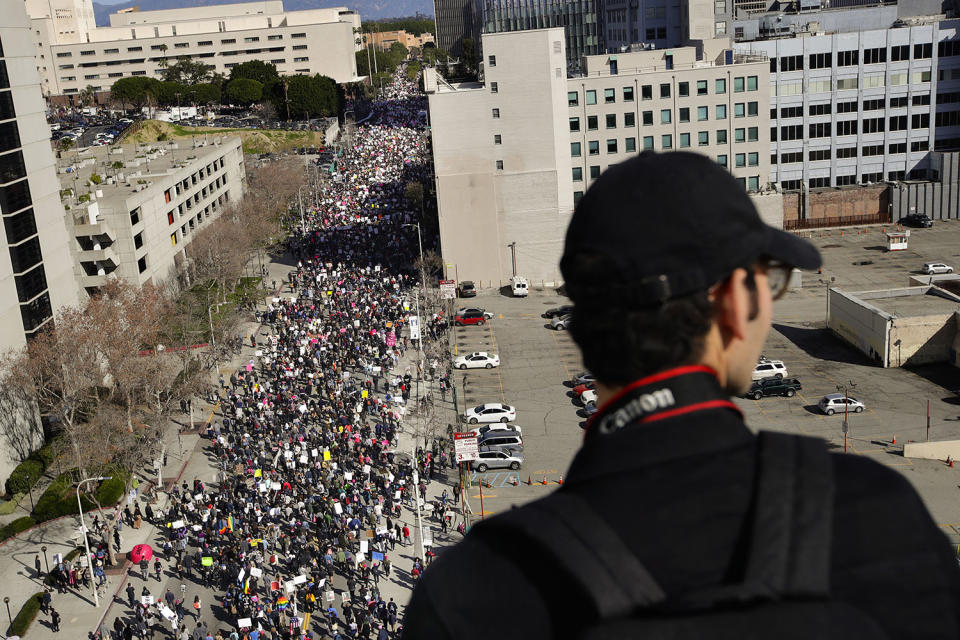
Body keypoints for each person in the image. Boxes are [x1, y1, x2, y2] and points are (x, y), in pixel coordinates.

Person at [403, 151, 960, 639]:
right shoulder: (874, 521)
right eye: (768, 283)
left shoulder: (470, 594)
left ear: (581, 326)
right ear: (734, 307)